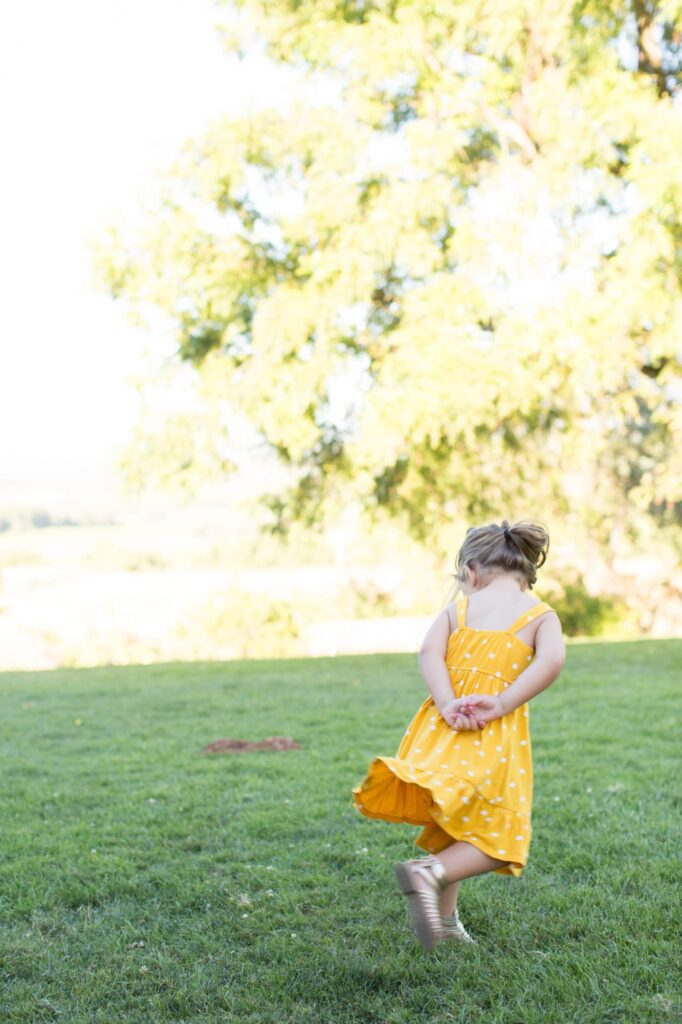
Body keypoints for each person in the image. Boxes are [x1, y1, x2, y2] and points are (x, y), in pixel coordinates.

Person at [351, 519, 566, 951]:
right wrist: (502, 702)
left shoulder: (458, 610)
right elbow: (552, 662)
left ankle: (446, 924)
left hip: (442, 730)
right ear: (525, 571)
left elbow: (429, 651)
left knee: (455, 827)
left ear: (470, 572)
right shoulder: (540, 614)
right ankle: (427, 873)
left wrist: (448, 702)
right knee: (503, 835)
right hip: (491, 736)